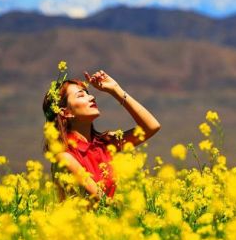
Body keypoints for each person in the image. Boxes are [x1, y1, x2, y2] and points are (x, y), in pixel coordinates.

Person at [42, 68, 161, 201]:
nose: (92, 97)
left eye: (88, 93)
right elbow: (102, 203)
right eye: (81, 95)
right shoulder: (65, 157)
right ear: (66, 112)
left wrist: (115, 89)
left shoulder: (104, 143)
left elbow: (151, 126)